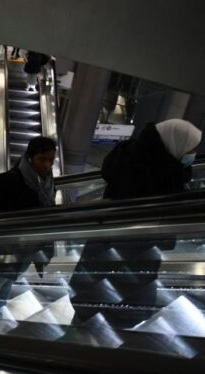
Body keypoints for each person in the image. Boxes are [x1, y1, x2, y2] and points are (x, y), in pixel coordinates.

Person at [68, 120, 201, 327]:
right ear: (173, 143)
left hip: (102, 255)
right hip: (128, 261)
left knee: (89, 307)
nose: (193, 154)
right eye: (190, 148)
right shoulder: (150, 176)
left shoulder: (134, 160)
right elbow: (162, 235)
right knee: (109, 318)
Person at [0, 136, 57, 319]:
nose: (47, 165)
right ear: (29, 157)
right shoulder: (8, 181)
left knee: (7, 284)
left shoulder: (49, 184)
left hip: (28, 249)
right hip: (4, 247)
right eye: (42, 159)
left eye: (51, 160)